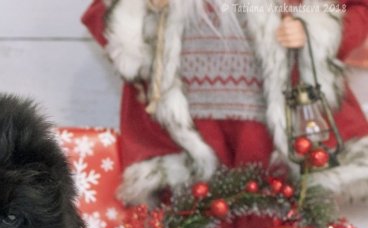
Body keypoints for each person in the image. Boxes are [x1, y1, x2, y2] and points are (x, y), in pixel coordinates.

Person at [82, 0, 368, 204]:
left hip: (274, 141)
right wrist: (142, 12)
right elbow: (104, 18)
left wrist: (313, 28)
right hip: (185, 142)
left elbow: (356, 10)